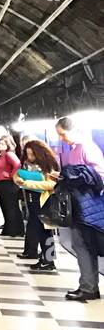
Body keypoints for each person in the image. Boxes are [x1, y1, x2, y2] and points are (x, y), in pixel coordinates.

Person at [53, 117, 104, 301]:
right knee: (82, 244)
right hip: (79, 205)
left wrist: (74, 180)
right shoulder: (74, 149)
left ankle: (88, 287)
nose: (61, 139)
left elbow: (99, 175)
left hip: (88, 207)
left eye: (63, 134)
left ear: (73, 130)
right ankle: (88, 285)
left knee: (83, 244)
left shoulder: (86, 148)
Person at [16, 138, 60, 273]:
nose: (30, 157)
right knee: (39, 230)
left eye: (32, 154)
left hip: (43, 201)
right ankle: (45, 258)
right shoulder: (29, 164)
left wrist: (27, 183)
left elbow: (51, 184)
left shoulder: (49, 165)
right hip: (32, 200)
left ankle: (49, 260)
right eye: (28, 154)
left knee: (45, 231)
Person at [0, 135, 24, 238]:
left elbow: (17, 165)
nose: (0, 145)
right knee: (5, 207)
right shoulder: (0, 155)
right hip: (1, 184)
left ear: (8, 145)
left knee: (11, 207)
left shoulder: (9, 154)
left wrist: (11, 175)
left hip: (8, 184)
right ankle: (8, 228)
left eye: (3, 144)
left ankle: (15, 229)